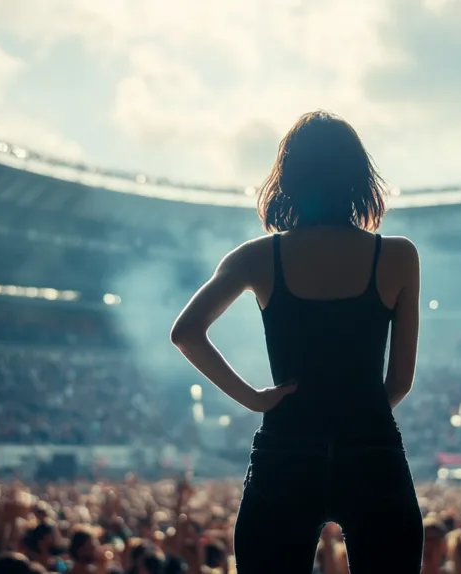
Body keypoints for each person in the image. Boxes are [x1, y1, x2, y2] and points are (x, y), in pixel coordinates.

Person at [171, 110, 424, 572]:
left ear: (287, 178)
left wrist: (255, 399)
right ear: (359, 177)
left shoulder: (256, 257)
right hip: (371, 449)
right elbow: (400, 381)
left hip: (286, 448)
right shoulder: (398, 256)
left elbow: (186, 332)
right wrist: (357, 413)